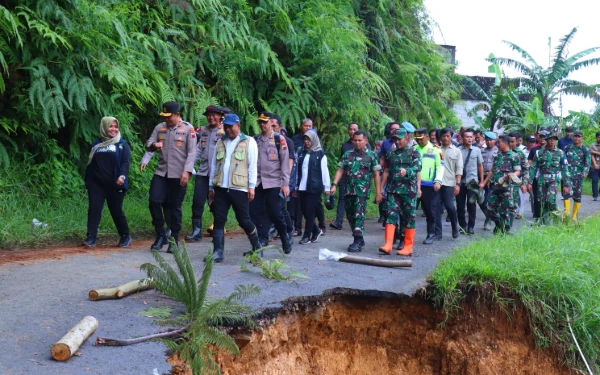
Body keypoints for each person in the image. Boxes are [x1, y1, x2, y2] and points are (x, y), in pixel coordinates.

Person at [208, 113, 260, 262]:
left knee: (243, 220)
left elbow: (252, 166)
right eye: (226, 127)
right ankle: (218, 252)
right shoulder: (220, 142)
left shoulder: (249, 142)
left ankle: (258, 248)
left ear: (238, 125)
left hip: (239, 187)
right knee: (219, 219)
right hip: (221, 188)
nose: (228, 129)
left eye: (230, 126)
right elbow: (214, 165)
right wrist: (211, 186)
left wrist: (251, 187)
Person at [145, 102, 196, 252]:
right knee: (154, 201)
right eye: (165, 116)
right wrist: (154, 145)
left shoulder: (188, 129)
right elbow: (148, 144)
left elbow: (192, 152)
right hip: (161, 172)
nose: (167, 120)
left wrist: (187, 171)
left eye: (170, 117)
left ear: (177, 114)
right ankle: (160, 234)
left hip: (179, 174)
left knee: (175, 206)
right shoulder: (159, 128)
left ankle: (174, 238)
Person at [84, 117, 131, 248]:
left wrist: (122, 176)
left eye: (116, 127)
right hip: (96, 184)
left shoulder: (122, 144)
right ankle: (91, 238)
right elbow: (91, 163)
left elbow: (125, 163)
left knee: (116, 210)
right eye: (110, 126)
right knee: (94, 209)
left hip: (115, 184)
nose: (114, 129)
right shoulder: (96, 144)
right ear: (104, 127)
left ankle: (125, 235)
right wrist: (89, 180)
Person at [249, 111, 293, 254]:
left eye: (265, 122)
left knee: (275, 212)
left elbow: (285, 163)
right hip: (258, 182)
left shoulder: (279, 140)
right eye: (260, 122)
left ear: (270, 123)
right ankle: (261, 240)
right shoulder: (255, 140)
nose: (262, 124)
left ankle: (284, 235)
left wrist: (285, 184)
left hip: (274, 182)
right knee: (257, 213)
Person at [330, 131, 382, 252]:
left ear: (366, 141)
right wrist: (334, 185)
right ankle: (359, 237)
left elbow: (376, 174)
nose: (357, 143)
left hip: (362, 191)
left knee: (359, 214)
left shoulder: (371, 156)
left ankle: (357, 240)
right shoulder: (348, 154)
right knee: (350, 215)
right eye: (355, 140)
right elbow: (340, 170)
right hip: (348, 190)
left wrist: (378, 192)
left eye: (360, 140)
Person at [186, 105, 229, 241]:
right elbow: (197, 149)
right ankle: (196, 232)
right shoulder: (203, 130)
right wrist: (189, 166)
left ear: (220, 116)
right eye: (209, 115)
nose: (211, 117)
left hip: (219, 174)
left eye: (214, 115)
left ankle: (218, 230)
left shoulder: (226, 131)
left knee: (217, 203)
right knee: (197, 201)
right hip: (203, 173)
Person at [378, 128, 421, 256]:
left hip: (409, 190)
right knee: (390, 215)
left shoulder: (414, 152)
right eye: (395, 139)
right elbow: (386, 171)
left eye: (399, 139)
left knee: (409, 217)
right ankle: (388, 244)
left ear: (406, 138)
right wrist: (381, 187)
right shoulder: (391, 153)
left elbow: (418, 167)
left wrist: (407, 171)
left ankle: (408, 246)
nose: (397, 141)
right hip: (393, 190)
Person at [295, 131, 330, 244]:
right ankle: (316, 230)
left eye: (309, 140)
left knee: (310, 211)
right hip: (302, 186)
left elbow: (325, 171)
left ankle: (307, 236)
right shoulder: (301, 153)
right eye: (305, 139)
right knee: (304, 210)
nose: (306, 142)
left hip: (315, 187)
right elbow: (297, 171)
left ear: (314, 140)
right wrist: (295, 186)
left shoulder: (320, 154)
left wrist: (327, 188)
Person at [480, 135, 520, 234]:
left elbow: (517, 171)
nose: (497, 144)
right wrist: (484, 182)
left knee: (505, 211)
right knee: (489, 208)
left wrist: (510, 175)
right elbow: (492, 170)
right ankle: (498, 224)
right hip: (495, 187)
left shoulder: (514, 156)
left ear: (505, 143)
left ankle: (504, 231)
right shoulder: (498, 155)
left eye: (499, 142)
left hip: (506, 187)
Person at [528, 131, 570, 225]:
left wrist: (566, 185)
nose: (552, 141)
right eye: (550, 139)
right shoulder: (539, 152)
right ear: (546, 140)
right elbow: (533, 167)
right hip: (542, 179)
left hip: (553, 180)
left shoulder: (560, 153)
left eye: (554, 139)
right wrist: (529, 182)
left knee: (551, 201)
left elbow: (565, 169)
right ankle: (543, 221)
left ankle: (555, 219)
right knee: (541, 201)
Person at [330, 122, 365, 230]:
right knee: (342, 198)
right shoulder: (345, 146)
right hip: (345, 178)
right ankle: (338, 221)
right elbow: (341, 166)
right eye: (350, 129)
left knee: (357, 203)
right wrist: (335, 183)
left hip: (360, 182)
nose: (352, 131)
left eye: (354, 129)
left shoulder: (365, 146)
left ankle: (358, 226)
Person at [414, 128, 443, 244]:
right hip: (415, 184)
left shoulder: (435, 150)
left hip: (428, 185)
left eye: (420, 139)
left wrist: (438, 181)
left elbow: (440, 167)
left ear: (427, 137)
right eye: (416, 139)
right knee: (409, 211)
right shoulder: (413, 149)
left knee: (430, 211)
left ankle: (430, 234)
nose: (418, 141)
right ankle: (403, 236)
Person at [434, 128, 462, 240]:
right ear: (440, 137)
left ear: (451, 137)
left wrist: (458, 184)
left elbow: (459, 169)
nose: (445, 138)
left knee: (450, 206)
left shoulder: (456, 151)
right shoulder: (436, 150)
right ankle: (437, 233)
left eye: (448, 136)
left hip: (450, 183)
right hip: (437, 183)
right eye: (443, 136)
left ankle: (455, 226)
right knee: (435, 207)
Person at [271, 116, 296, 240]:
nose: (272, 128)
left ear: (280, 127)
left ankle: (289, 230)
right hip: (268, 180)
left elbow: (289, 162)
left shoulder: (287, 141)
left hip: (282, 180)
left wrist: (284, 182)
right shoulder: (263, 140)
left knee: (281, 207)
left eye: (274, 126)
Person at [456, 129, 483, 234]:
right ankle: (462, 226)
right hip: (460, 181)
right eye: (467, 137)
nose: (469, 139)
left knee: (471, 204)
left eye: (471, 137)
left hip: (472, 182)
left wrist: (481, 181)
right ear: (462, 138)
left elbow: (480, 165)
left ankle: (471, 226)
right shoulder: (457, 150)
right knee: (460, 205)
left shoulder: (477, 150)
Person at [563, 130, 590, 220]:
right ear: (573, 137)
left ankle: (574, 217)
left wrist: (585, 172)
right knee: (566, 194)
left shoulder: (585, 149)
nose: (577, 138)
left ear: (582, 138)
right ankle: (566, 216)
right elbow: (563, 161)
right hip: (568, 176)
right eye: (575, 136)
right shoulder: (567, 148)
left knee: (577, 197)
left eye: (579, 136)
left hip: (579, 176)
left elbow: (587, 163)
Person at [508, 132, 529, 223]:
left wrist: (524, 184)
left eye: (512, 141)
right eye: (509, 141)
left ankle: (507, 227)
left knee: (512, 205)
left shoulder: (520, 154)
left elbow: (525, 170)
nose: (510, 143)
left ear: (517, 142)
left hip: (514, 184)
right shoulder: (502, 152)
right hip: (501, 184)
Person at [479, 132, 498, 230]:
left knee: (488, 201)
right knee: (480, 201)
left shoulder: (498, 151)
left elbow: (495, 167)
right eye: (487, 140)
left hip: (492, 179)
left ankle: (489, 220)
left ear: (495, 140)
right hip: (482, 177)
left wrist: (488, 180)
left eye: (491, 140)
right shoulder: (481, 150)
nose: (489, 142)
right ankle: (488, 216)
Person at [588, 131, 600, 201]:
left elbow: (592, 152)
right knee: (594, 180)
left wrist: (595, 152)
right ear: (596, 137)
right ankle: (595, 195)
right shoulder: (592, 145)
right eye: (598, 137)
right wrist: (595, 164)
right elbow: (590, 153)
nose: (599, 139)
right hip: (594, 166)